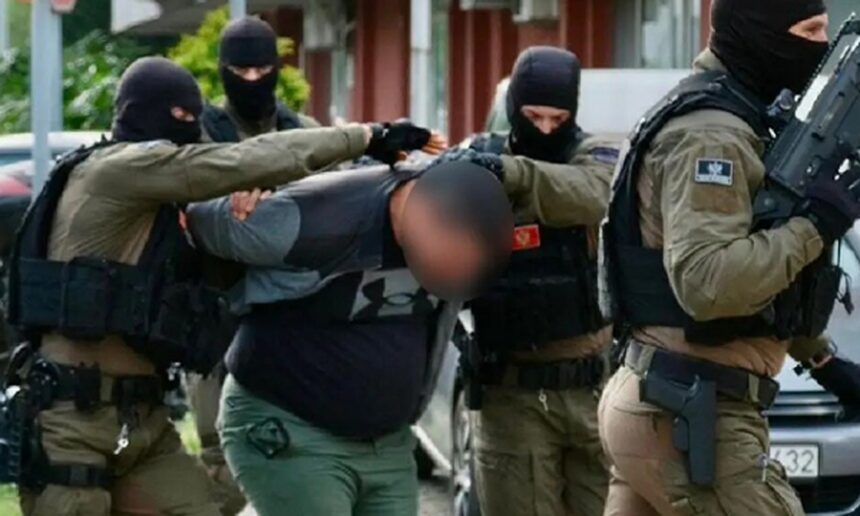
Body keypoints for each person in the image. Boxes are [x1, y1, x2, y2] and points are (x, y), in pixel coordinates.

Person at [5, 56, 433, 516]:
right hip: (72, 418)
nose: (189, 127)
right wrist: (365, 136)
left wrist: (246, 203)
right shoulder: (116, 169)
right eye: (178, 116)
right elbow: (241, 160)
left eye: (194, 117)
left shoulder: (164, 203)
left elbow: (226, 257)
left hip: (142, 418)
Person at [599, 1, 860, 514]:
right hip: (693, 412)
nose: (819, 46)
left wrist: (821, 359)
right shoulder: (711, 133)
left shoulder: (730, 113)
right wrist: (814, 226)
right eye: (809, 30)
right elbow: (709, 282)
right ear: (760, 33)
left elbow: (754, 270)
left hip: (667, 400)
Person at [182, 157, 514, 516]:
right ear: (428, 219)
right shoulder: (308, 220)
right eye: (452, 256)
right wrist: (244, 190)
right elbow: (196, 218)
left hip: (388, 444)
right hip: (289, 428)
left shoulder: (465, 236)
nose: (456, 269)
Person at [435, 46, 618, 516]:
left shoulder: (593, 155)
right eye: (533, 117)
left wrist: (510, 175)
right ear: (514, 107)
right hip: (511, 397)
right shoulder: (477, 158)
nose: (546, 130)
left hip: (592, 392)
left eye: (559, 119)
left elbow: (595, 193)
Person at [192, 16, 318, 514]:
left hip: (290, 318)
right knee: (220, 462)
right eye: (240, 72)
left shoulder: (304, 134)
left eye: (262, 70)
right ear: (223, 70)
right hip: (217, 312)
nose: (251, 81)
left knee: (297, 460)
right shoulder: (200, 134)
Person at [201, 16, 319, 144]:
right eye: (241, 70)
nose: (252, 78)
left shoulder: (306, 132)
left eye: (263, 69)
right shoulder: (204, 134)